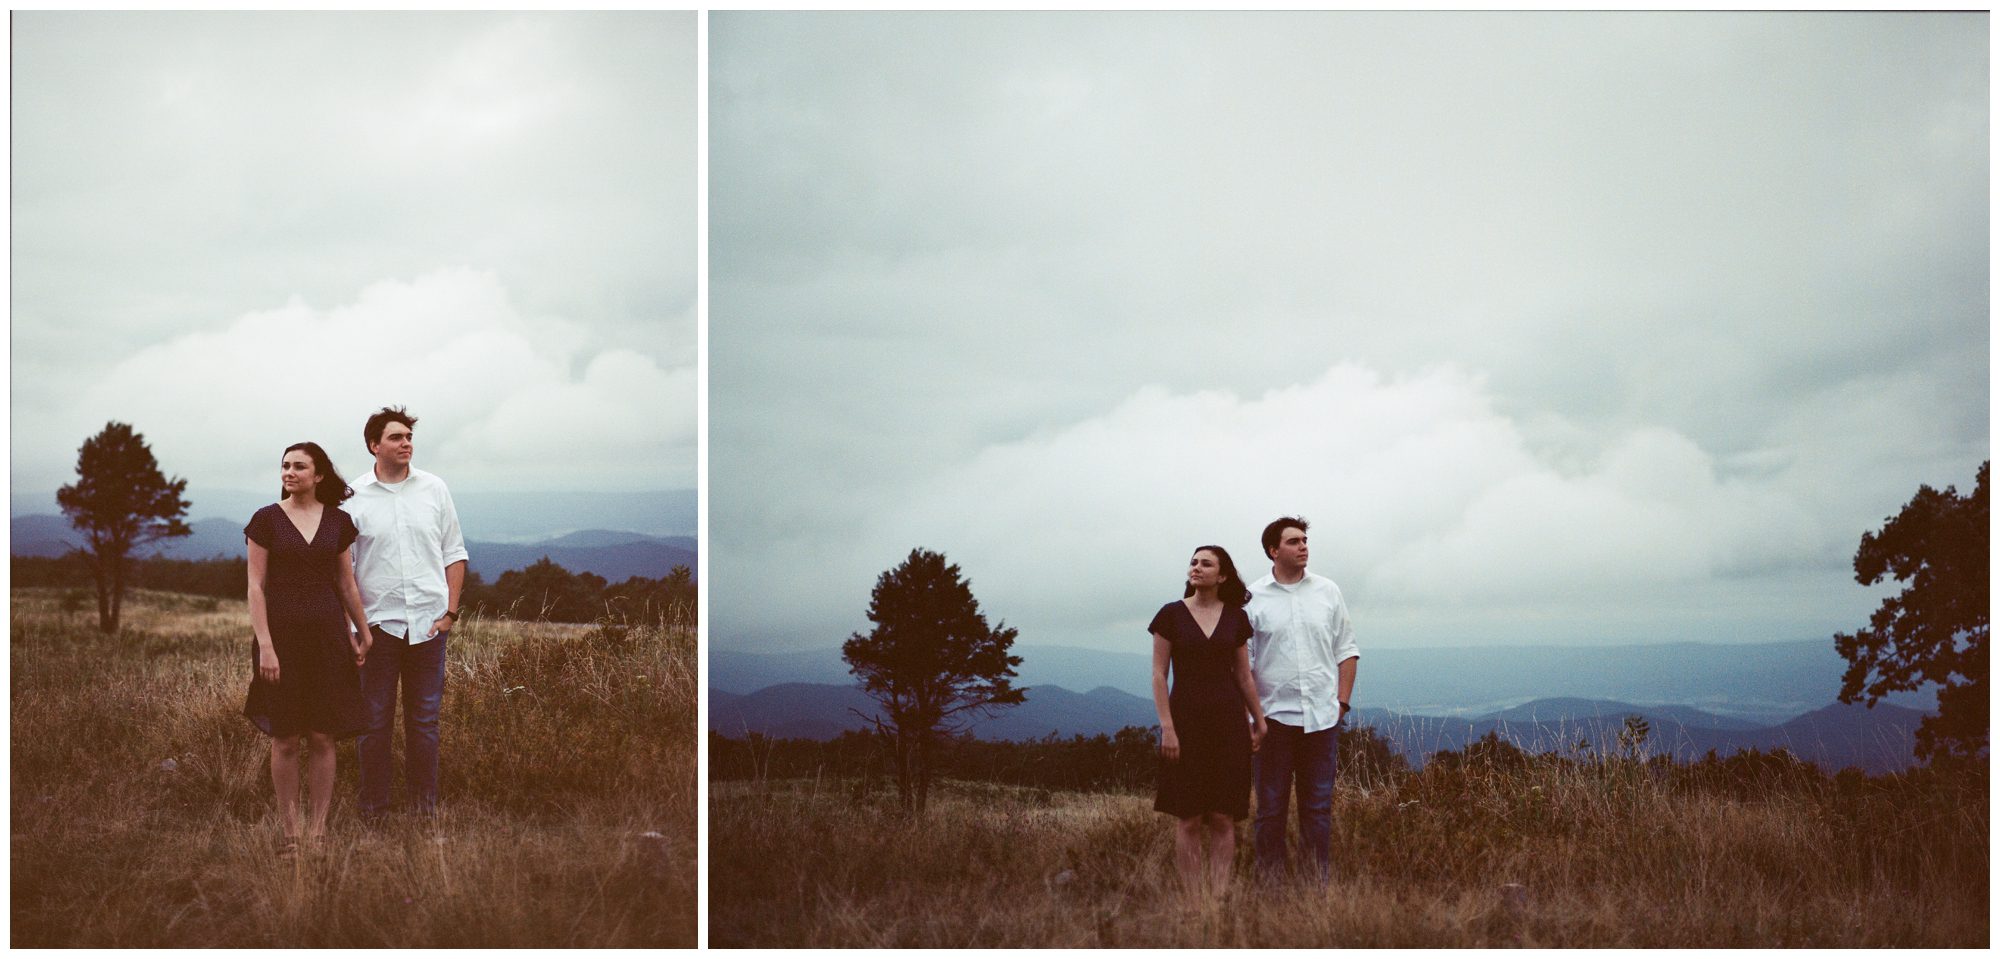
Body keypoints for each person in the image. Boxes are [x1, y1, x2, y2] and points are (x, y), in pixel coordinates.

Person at [244, 442, 372, 856]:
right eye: (285, 465)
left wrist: (362, 631)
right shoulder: (266, 520)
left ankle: (318, 833)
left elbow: (346, 582)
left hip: (328, 640)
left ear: (318, 476)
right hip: (279, 641)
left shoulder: (338, 522)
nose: (290, 472)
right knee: (284, 737)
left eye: (300, 466)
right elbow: (255, 587)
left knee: (322, 736)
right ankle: (291, 832)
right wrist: (265, 645)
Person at [347, 406, 468, 819]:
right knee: (374, 724)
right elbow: (342, 567)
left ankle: (423, 810)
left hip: (429, 629)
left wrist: (450, 613)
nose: (406, 444)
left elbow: (454, 552)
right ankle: (374, 810)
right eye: (396, 437)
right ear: (373, 445)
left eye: (408, 437)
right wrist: (354, 628)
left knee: (424, 724)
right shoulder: (353, 497)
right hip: (377, 628)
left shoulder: (434, 488)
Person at [1150, 544, 1268, 895]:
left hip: (1229, 724)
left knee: (1222, 816)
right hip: (1185, 721)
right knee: (1188, 817)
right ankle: (1192, 901)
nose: (1196, 567)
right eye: (1193, 562)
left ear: (1223, 575)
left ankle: (1218, 898)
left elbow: (1244, 676)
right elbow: (1158, 675)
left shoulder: (1235, 617)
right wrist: (1167, 728)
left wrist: (1258, 721)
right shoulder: (1170, 615)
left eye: (1206, 563)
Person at [1247, 515, 1359, 882]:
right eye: (1294, 541)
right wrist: (1254, 719)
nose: (1303, 546)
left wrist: (1341, 704)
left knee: (1317, 810)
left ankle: (1314, 889)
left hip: (1322, 721)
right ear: (1273, 550)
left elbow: (1347, 650)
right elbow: (1243, 664)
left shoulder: (1328, 591)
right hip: (1273, 722)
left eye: (1305, 540)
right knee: (1271, 810)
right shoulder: (1253, 598)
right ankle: (1271, 887)